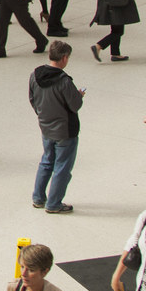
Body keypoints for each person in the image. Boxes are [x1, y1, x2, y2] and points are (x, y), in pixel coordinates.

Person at [28, 42, 84, 213]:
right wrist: (78, 95)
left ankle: (38, 198)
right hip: (65, 130)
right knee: (62, 167)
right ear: (64, 57)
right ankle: (54, 203)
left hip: (46, 127)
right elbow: (74, 105)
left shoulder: (35, 74)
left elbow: (32, 99)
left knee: (46, 161)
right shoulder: (64, 81)